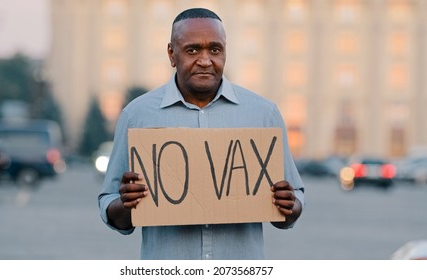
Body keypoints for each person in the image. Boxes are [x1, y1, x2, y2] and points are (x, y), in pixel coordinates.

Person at [98, 7, 305, 260]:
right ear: (171, 54)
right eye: (192, 50)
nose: (205, 60)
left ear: (225, 53)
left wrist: (288, 205)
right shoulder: (136, 116)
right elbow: (110, 206)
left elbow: (294, 203)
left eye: (215, 50)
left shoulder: (264, 114)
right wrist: (126, 205)